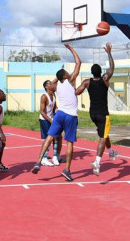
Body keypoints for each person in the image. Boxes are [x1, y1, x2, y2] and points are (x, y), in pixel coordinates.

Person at [32, 43, 82, 181]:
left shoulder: (55, 86)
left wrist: (57, 75)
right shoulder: (70, 81)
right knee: (70, 143)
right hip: (71, 115)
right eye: (66, 72)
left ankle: (38, 161)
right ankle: (67, 170)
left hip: (59, 114)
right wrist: (71, 48)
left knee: (49, 137)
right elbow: (79, 63)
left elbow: (51, 83)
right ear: (65, 75)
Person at [75, 43, 117, 176]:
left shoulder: (87, 82)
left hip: (92, 114)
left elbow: (77, 92)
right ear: (101, 72)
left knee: (104, 133)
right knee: (102, 138)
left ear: (92, 73)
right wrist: (109, 52)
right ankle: (97, 162)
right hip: (103, 114)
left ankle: (111, 152)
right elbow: (111, 68)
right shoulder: (105, 80)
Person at [38, 79, 63, 166]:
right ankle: (44, 158)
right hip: (44, 119)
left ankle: (56, 156)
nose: (52, 84)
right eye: (50, 84)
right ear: (46, 86)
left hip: (52, 119)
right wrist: (51, 121)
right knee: (49, 138)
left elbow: (54, 108)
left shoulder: (53, 95)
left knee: (58, 137)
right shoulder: (44, 96)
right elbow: (42, 111)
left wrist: (58, 113)